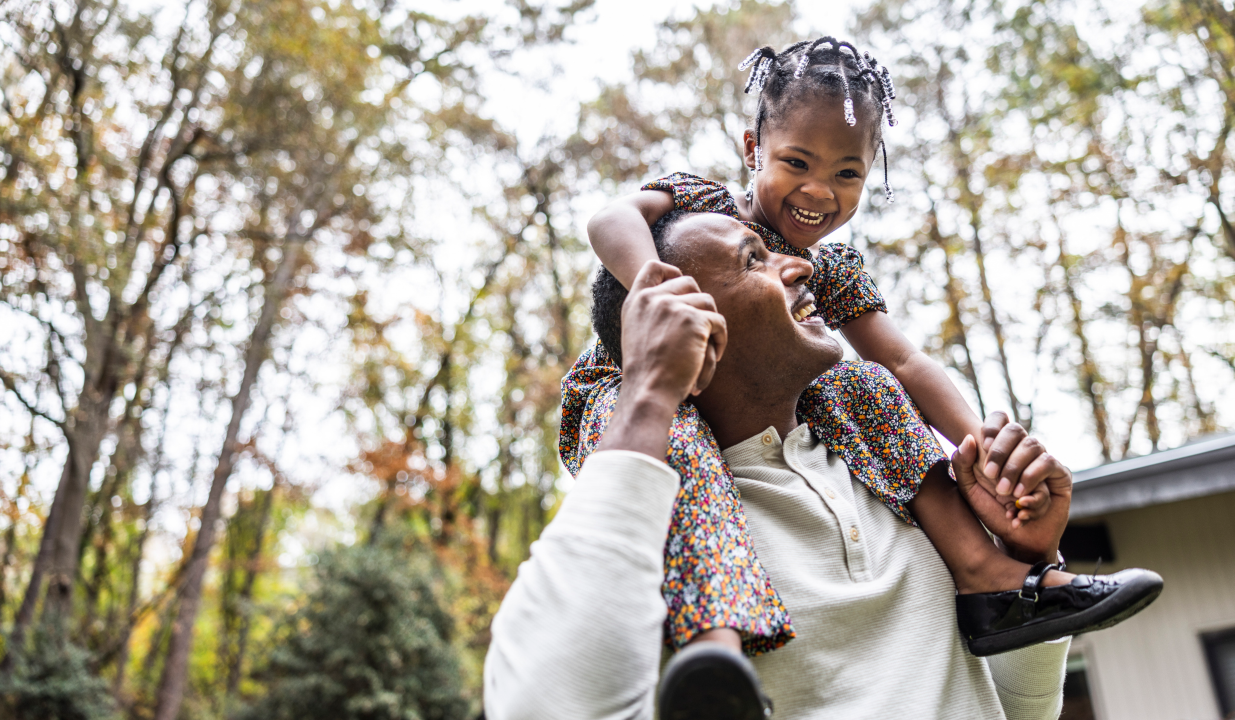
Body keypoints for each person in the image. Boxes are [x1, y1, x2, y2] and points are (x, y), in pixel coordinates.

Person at [559, 36, 1162, 715]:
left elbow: (902, 362)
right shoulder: (703, 211)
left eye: (848, 174)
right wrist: (660, 293)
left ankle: (986, 575)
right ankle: (715, 651)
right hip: (643, 376)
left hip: (803, 411)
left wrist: (986, 455)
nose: (819, 190)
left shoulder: (832, 271)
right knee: (682, 451)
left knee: (868, 384)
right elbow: (610, 218)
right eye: (797, 162)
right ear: (752, 149)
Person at [487, 213, 1161, 719]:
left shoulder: (901, 480)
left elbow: (1015, 712)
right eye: (753, 260)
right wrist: (647, 393)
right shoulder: (651, 528)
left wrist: (1028, 557)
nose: (802, 267)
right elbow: (539, 703)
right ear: (683, 320)